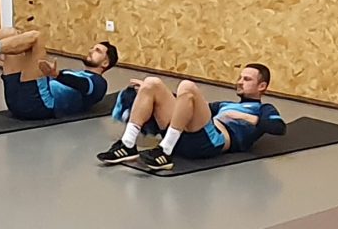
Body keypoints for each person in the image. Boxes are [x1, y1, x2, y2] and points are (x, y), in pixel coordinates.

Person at [94, 64, 285, 172]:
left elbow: (279, 127)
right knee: (152, 83)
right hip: (184, 135)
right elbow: (186, 105)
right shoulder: (225, 104)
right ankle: (127, 144)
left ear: (262, 86)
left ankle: (165, 151)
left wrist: (243, 117)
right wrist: (150, 92)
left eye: (247, 79)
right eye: (240, 78)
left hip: (209, 143)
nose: (240, 82)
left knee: (187, 86)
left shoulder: (263, 109)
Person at [0, 27, 117, 120]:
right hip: (20, 96)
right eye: (92, 48)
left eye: (97, 51)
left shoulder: (99, 84)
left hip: (38, 105)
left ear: (105, 63)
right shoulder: (71, 73)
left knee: (36, 37)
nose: (91, 51)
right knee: (13, 33)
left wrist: (57, 75)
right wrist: (0, 63)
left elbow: (82, 85)